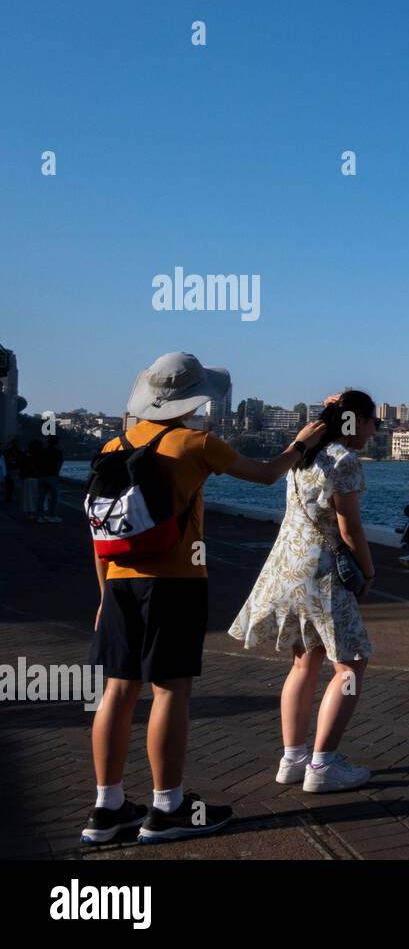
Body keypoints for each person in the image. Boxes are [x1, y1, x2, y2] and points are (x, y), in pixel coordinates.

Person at [83, 352, 326, 845]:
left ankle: (106, 809)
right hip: (174, 582)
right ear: (193, 399)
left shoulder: (114, 443)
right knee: (171, 690)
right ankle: (167, 806)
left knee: (118, 690)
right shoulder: (196, 442)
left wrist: (104, 594)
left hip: (121, 581)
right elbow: (265, 473)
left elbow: (99, 532)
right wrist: (302, 443)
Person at [228, 390, 379, 793]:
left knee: (304, 662)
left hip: (287, 566)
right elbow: (350, 530)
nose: (374, 430)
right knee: (351, 664)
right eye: (372, 421)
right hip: (322, 572)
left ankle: (292, 758)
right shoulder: (345, 462)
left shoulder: (304, 453)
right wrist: (368, 570)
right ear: (357, 422)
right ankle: (324, 764)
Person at [36, 434, 64, 522]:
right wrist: (56, 474)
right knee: (54, 498)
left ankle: (40, 516)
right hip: (52, 476)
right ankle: (53, 516)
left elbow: (38, 463)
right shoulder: (58, 452)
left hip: (42, 476)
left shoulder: (42, 451)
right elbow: (59, 465)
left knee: (41, 497)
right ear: (57, 443)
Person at [19, 439, 42, 521]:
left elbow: (21, 467)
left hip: (27, 478)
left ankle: (30, 514)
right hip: (38, 478)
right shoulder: (41, 456)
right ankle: (39, 514)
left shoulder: (26, 456)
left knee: (28, 497)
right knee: (40, 497)